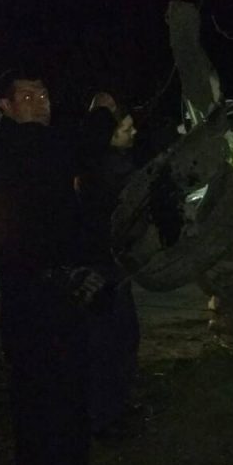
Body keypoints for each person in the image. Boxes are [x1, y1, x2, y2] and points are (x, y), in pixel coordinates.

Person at [0, 69, 121, 465]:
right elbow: (81, 145)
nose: (41, 100)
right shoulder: (24, 146)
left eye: (43, 92)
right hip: (48, 292)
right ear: (5, 105)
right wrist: (103, 113)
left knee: (33, 387)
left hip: (26, 290)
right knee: (63, 389)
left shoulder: (6, 150)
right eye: (27, 95)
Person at [76, 99, 144, 440]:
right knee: (103, 345)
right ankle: (101, 418)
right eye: (125, 130)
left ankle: (116, 407)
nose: (133, 133)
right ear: (108, 135)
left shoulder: (120, 165)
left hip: (115, 267)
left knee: (124, 338)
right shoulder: (93, 174)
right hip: (100, 269)